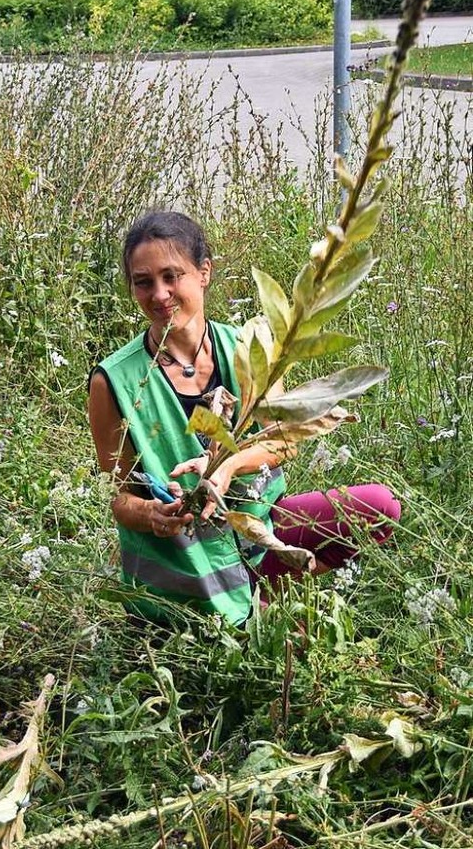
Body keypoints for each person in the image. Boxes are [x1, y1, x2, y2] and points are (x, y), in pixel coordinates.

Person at [88, 210, 400, 626]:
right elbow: (119, 496)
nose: (160, 294)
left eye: (171, 276)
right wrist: (153, 516)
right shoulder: (114, 380)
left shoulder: (247, 347)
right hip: (184, 564)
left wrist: (227, 466)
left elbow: (284, 440)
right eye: (143, 282)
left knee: (380, 507)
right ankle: (241, 611)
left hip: (258, 527)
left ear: (204, 273)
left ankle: (266, 591)